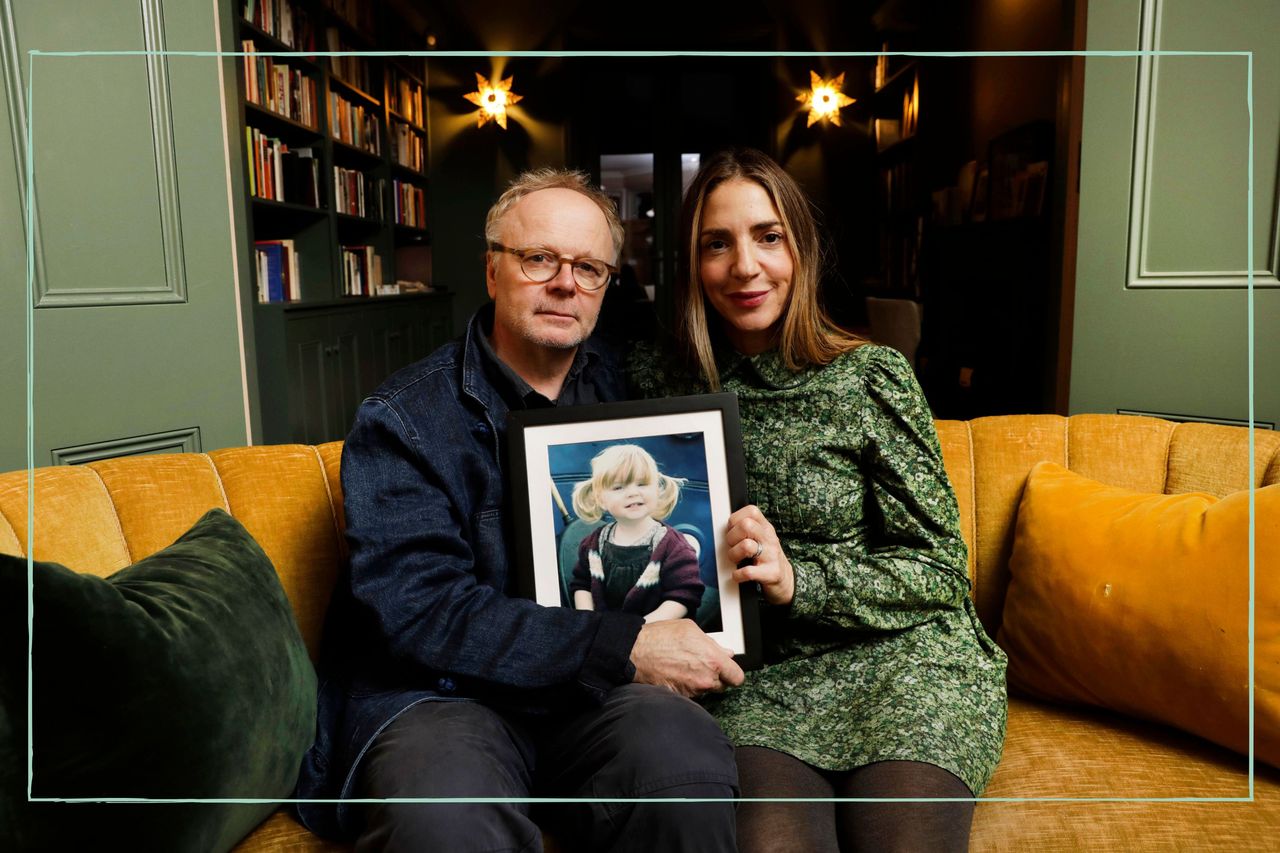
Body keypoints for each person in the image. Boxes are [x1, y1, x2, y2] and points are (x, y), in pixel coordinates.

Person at [294, 168, 743, 853]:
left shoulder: (635, 395)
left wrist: (741, 540)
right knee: (442, 819)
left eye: (589, 267)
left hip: (587, 701)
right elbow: (421, 610)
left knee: (685, 762)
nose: (566, 282)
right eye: (539, 258)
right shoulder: (404, 419)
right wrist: (621, 643)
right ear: (492, 270)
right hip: (440, 697)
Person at [630, 148, 1008, 852]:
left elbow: (940, 567)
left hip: (905, 665)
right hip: (762, 680)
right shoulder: (654, 383)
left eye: (767, 236)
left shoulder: (870, 377)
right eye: (717, 243)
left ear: (799, 249)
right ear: (692, 262)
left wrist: (798, 578)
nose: (745, 266)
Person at [568, 443, 704, 622]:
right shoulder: (594, 544)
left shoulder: (672, 546)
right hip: (604, 632)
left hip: (656, 633)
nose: (633, 492)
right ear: (600, 499)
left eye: (642, 484)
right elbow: (582, 584)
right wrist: (588, 619)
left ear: (657, 490)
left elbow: (684, 596)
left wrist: (639, 629)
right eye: (618, 487)